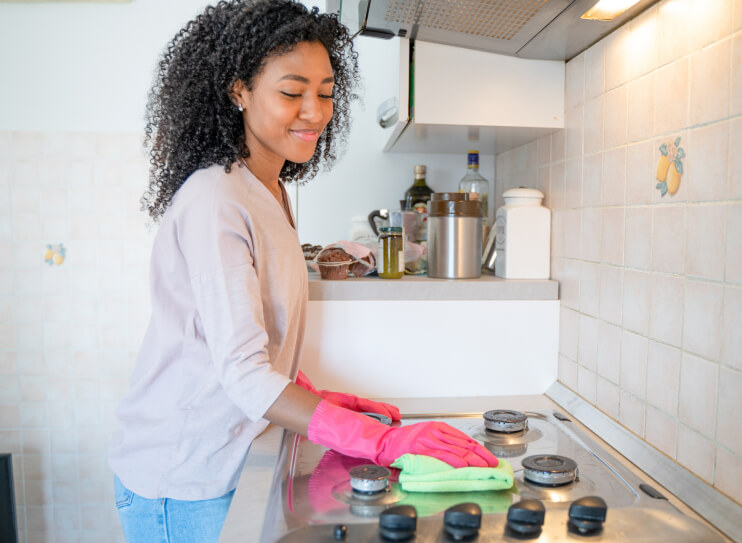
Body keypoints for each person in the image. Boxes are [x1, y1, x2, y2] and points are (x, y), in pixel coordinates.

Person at [108, 1, 498, 541]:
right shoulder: (217, 200)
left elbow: (249, 343)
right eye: (292, 92)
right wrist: (378, 442)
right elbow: (243, 373)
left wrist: (321, 401)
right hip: (183, 475)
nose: (314, 111)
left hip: (224, 454)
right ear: (238, 90)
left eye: (327, 91)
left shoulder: (267, 189)